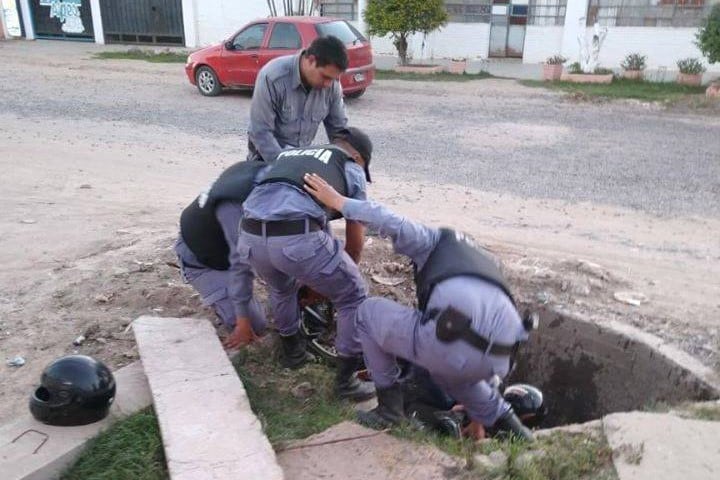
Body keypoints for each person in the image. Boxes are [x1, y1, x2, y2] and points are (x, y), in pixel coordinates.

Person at [303, 174, 536, 441]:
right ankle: (520, 435)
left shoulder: (434, 241)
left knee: (367, 312)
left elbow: (388, 219)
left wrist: (339, 201)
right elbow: (483, 336)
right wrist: (476, 416)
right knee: (457, 375)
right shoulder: (484, 262)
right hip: (500, 357)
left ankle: (388, 410)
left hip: (451, 343)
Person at [237, 127, 374, 402]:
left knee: (282, 289)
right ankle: (346, 382)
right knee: (353, 294)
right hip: (294, 237)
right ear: (357, 156)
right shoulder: (351, 167)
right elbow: (355, 238)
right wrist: (341, 277)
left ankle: (293, 353)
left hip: (249, 236)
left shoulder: (288, 156)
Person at [175, 160, 270, 349]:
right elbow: (240, 264)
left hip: (224, 242)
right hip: (203, 260)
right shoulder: (234, 206)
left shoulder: (268, 176)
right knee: (254, 325)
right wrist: (243, 321)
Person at [247, 35, 349, 162]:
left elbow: (339, 131)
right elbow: (260, 132)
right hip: (266, 160)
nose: (328, 84)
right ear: (311, 60)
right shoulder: (272, 77)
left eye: (333, 79)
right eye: (325, 77)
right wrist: (284, 167)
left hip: (301, 160)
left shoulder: (332, 86)